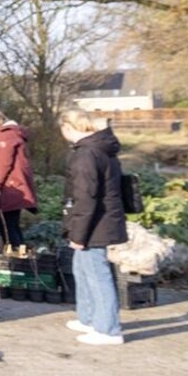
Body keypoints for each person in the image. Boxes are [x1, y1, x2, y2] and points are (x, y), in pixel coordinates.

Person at [59, 109, 128, 345]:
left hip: (95, 223)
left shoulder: (86, 153)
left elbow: (85, 196)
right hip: (100, 219)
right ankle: (89, 318)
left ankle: (108, 329)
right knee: (83, 269)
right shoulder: (98, 148)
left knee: (97, 275)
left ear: (68, 128)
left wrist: (78, 234)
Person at [0, 106, 38, 250]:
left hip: (9, 187)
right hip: (10, 185)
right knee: (9, 224)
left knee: (7, 225)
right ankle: (17, 254)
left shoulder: (6, 136)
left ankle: (16, 257)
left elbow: (3, 163)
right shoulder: (4, 135)